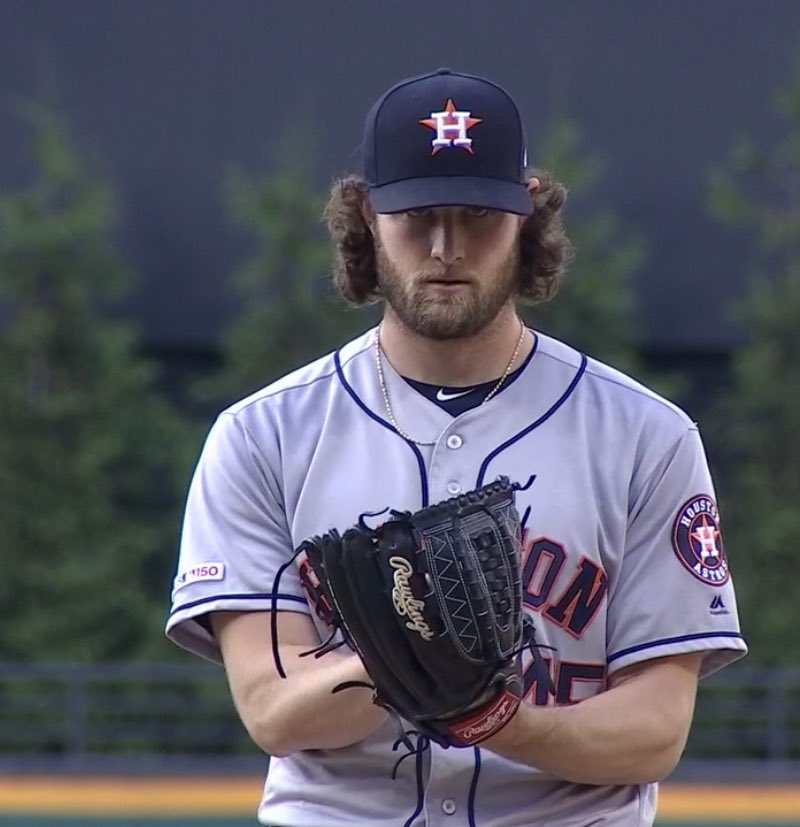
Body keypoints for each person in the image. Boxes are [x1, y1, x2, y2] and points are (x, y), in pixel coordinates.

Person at [166, 68, 747, 827]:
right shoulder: (263, 434)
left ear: (527, 215)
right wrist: (405, 650)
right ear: (367, 217)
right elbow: (276, 712)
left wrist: (495, 717)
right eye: (415, 214)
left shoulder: (646, 435)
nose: (445, 246)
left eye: (477, 214)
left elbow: (654, 732)